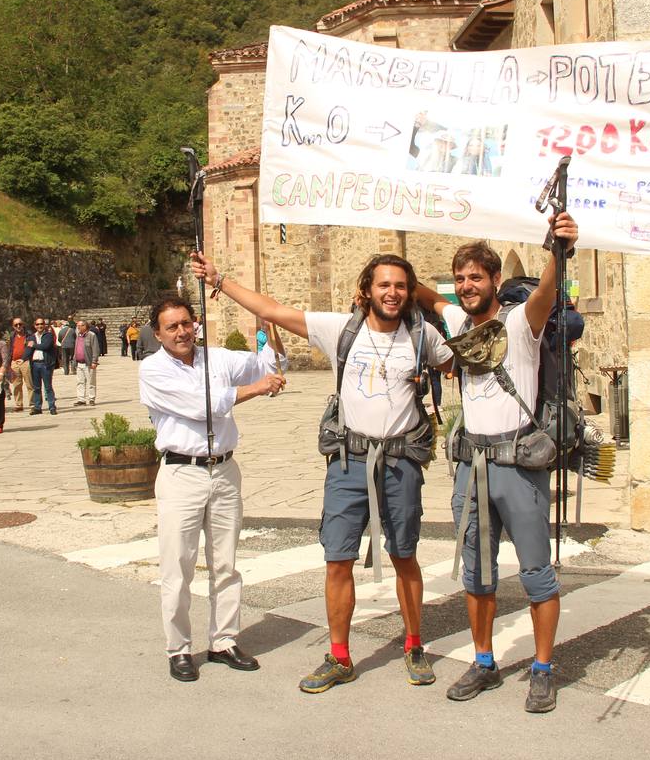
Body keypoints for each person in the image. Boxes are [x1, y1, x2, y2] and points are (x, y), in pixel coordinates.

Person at [191, 250, 452, 693]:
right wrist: (221, 281)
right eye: (384, 285)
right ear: (367, 289)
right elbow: (271, 309)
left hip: (400, 462)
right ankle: (340, 656)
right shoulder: (340, 330)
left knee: (404, 555)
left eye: (401, 286)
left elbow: (459, 363)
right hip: (348, 462)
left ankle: (413, 644)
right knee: (337, 560)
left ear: (410, 294)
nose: (392, 293)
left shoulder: (421, 334)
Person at [414, 219, 578, 713]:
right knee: (477, 574)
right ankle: (484, 660)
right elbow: (425, 295)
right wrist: (386, 280)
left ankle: (543, 668)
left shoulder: (520, 323)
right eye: (460, 278)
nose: (467, 286)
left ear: (492, 281)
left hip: (517, 465)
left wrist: (560, 250)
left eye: (476, 277)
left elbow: (547, 293)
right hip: (473, 466)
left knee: (536, 574)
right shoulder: (459, 324)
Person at [138, 296, 286, 682]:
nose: (182, 332)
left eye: (186, 323)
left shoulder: (216, 358)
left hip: (223, 470)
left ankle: (223, 640)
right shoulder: (153, 369)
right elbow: (202, 405)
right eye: (172, 327)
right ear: (158, 333)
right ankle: (179, 649)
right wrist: (257, 388)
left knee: (225, 563)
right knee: (178, 566)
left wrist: (268, 328)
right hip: (181, 474)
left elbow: (263, 364)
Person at [25, 317, 58, 415]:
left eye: (41, 324)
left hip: (45, 364)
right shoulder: (31, 336)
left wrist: (33, 345)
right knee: (36, 387)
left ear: (44, 325)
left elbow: (46, 346)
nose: (39, 326)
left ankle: (52, 407)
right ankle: (37, 407)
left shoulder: (48, 335)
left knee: (48, 387)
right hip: (35, 364)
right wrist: (22, 359)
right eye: (38, 324)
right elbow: (28, 349)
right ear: (35, 326)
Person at [69, 319, 101, 406]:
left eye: (79, 326)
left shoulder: (91, 335)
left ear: (85, 326)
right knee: (80, 382)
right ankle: (81, 399)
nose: (78, 327)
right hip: (79, 363)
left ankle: (91, 398)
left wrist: (94, 361)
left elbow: (95, 349)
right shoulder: (78, 335)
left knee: (91, 382)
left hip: (89, 363)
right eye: (77, 326)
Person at [8, 318, 31, 412]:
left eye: (20, 324)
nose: (18, 326)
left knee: (29, 384)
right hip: (14, 362)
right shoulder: (12, 336)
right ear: (13, 326)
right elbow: (10, 349)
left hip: (25, 361)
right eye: (16, 325)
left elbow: (30, 348)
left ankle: (32, 404)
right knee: (16, 384)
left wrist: (24, 358)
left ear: (23, 324)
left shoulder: (28, 335)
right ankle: (18, 404)